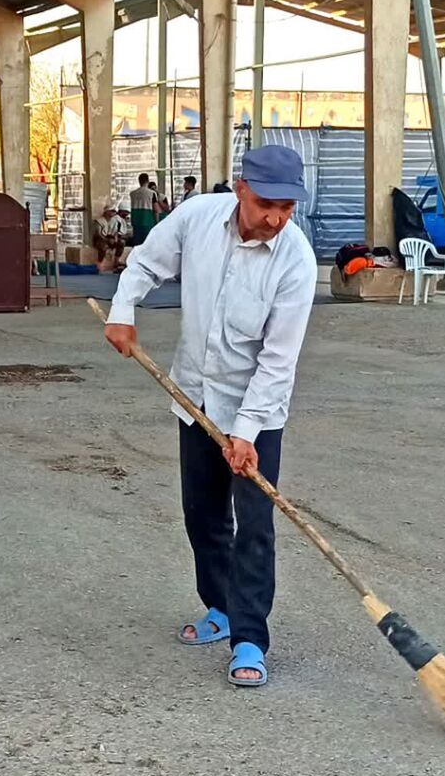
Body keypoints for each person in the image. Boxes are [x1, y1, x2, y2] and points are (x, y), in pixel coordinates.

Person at [103, 144, 314, 688]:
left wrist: (246, 434)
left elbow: (277, 361)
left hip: (257, 410)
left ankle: (250, 636)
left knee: (256, 526)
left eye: (288, 207)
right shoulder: (197, 218)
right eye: (267, 203)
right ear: (241, 188)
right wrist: (124, 313)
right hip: (194, 397)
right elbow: (147, 261)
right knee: (202, 513)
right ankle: (219, 607)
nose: (276, 218)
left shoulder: (296, 260)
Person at [129, 172, 163, 246]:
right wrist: (157, 223)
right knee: (147, 244)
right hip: (148, 220)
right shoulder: (152, 193)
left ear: (139, 181)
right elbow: (156, 209)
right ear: (147, 181)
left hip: (136, 220)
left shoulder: (132, 193)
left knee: (137, 244)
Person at [93, 203, 125, 269]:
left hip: (111, 238)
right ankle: (99, 263)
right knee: (103, 247)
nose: (114, 213)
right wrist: (107, 240)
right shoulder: (99, 221)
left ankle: (116, 261)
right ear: (107, 211)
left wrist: (115, 239)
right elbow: (98, 234)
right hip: (101, 239)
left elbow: (116, 232)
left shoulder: (115, 221)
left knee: (121, 242)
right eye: (112, 211)